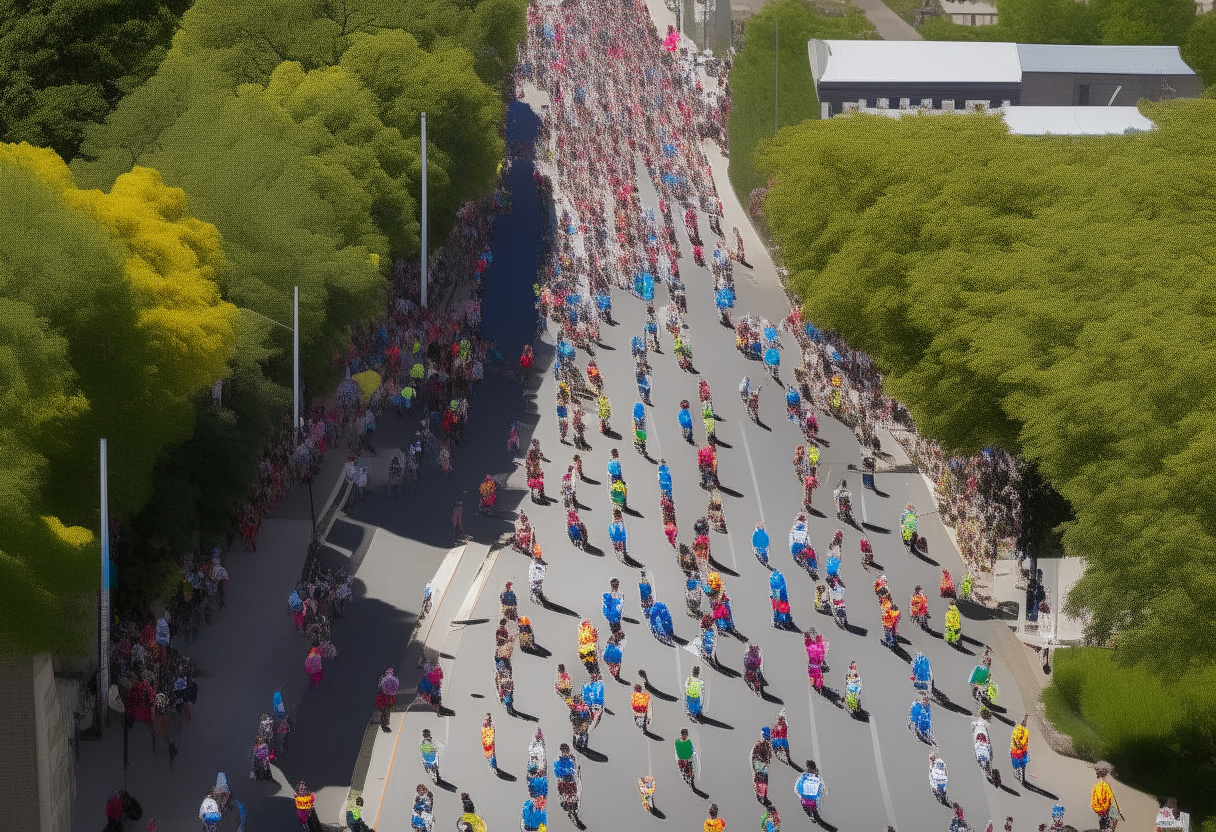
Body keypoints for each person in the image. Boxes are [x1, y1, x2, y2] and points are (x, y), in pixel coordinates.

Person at [377, 667, 399, 732]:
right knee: (387, 710)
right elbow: (396, 687)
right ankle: (385, 724)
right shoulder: (395, 679)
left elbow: (379, 688)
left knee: (383, 710)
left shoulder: (383, 679)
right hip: (389, 698)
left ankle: (383, 724)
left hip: (383, 697)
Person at [1010, 715, 1030, 784]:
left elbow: (1025, 742)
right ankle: (1017, 773)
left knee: (1018, 764)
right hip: (1019, 751)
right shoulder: (1022, 731)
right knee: (1020, 764)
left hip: (1018, 751)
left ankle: (1017, 773)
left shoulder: (1018, 730)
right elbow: (1014, 739)